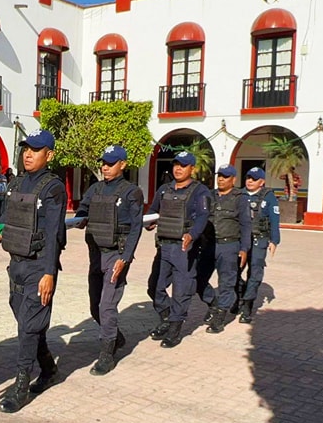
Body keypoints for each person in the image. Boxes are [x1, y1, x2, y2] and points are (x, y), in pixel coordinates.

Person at [0, 130, 67, 413]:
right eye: (25, 149)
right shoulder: (17, 183)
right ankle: (48, 369)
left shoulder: (53, 188)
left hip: (39, 266)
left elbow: (53, 233)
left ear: (49, 155)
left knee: (27, 328)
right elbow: (7, 215)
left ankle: (22, 384)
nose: (28, 154)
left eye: (35, 150)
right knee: (28, 323)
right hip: (16, 265)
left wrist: (49, 273)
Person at [75, 145, 144, 375]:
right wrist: (80, 218)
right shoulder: (94, 189)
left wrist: (126, 258)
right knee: (95, 306)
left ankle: (106, 355)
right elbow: (82, 210)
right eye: (103, 162)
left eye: (110, 162)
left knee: (107, 306)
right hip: (95, 254)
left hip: (116, 255)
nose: (105, 166)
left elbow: (136, 227)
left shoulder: (131, 192)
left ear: (123, 165)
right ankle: (116, 337)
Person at [144, 151, 211, 348]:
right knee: (154, 286)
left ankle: (174, 328)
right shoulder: (164, 189)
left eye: (183, 165)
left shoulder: (200, 191)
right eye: (176, 164)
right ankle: (167, 317)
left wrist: (192, 235)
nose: (178, 168)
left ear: (192, 168)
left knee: (181, 291)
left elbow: (202, 217)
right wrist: (148, 222)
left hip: (184, 249)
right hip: (164, 246)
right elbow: (153, 210)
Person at [196, 164, 252, 334]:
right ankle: (213, 303)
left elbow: (245, 225)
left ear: (233, 180)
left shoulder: (240, 198)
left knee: (226, 284)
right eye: (219, 175)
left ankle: (220, 318)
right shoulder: (209, 195)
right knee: (197, 280)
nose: (220, 179)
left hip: (229, 246)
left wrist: (244, 249)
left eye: (225, 176)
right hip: (208, 245)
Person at [237, 167, 281, 324]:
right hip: (241, 240)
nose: (249, 181)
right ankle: (239, 295)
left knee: (255, 273)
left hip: (259, 240)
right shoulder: (239, 194)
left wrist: (274, 240)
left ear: (262, 182)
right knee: (234, 270)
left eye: (254, 179)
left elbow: (275, 219)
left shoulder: (268, 197)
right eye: (248, 177)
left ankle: (247, 306)